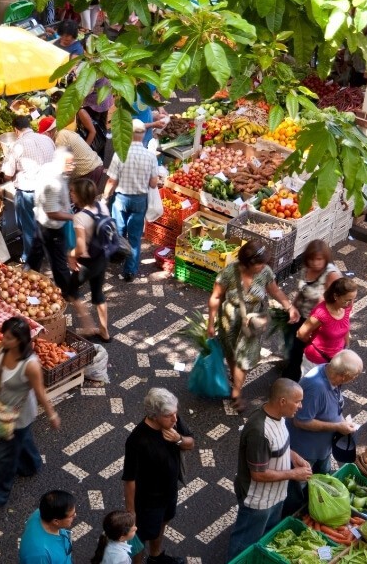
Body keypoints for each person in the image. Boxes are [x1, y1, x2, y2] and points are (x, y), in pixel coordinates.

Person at [0, 316, 60, 513]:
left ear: (21, 340)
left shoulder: (30, 365)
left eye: (9, 338)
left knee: (3, 456)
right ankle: (31, 464)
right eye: (4, 336)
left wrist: (51, 415)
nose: (3, 340)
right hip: (3, 406)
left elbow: (40, 392)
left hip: (19, 415)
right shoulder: (2, 348)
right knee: (20, 442)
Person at [226, 379, 313, 561]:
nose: (300, 406)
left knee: (267, 534)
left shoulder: (279, 417)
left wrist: (294, 457)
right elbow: (258, 474)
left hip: (276, 496)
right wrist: (293, 474)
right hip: (259, 501)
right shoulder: (259, 431)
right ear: (282, 401)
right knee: (244, 542)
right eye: (297, 401)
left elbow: (279, 446)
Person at [207, 241, 300, 412]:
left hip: (252, 322)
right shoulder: (228, 273)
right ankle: (235, 376)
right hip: (230, 320)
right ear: (247, 263)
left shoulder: (265, 272)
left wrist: (289, 307)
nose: (263, 266)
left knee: (245, 359)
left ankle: (236, 392)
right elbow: (216, 297)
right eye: (259, 264)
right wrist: (211, 323)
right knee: (231, 354)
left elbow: (275, 291)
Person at [123, 388, 193, 564]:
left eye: (175, 413)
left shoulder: (173, 424)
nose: (175, 419)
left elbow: (190, 443)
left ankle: (155, 557)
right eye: (169, 415)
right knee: (139, 536)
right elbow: (129, 479)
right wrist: (131, 512)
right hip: (147, 501)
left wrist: (178, 439)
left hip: (169, 492)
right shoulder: (137, 440)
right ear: (154, 415)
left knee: (163, 522)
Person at [101, 119, 159, 282]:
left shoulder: (120, 154)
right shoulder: (150, 156)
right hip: (140, 199)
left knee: (118, 231)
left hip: (121, 199)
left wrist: (105, 197)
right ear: (143, 134)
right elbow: (153, 183)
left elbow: (112, 180)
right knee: (134, 237)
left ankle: (115, 259)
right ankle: (130, 271)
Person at [289, 350, 362, 473]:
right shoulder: (315, 389)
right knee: (301, 484)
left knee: (324, 479)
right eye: (354, 376)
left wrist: (342, 421)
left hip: (322, 448)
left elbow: (333, 404)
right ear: (344, 375)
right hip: (307, 452)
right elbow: (301, 421)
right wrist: (337, 426)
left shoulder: (330, 373)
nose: (354, 379)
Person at [282, 240, 341, 381]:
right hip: (301, 315)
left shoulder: (331, 274)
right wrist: (292, 308)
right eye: (312, 259)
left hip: (316, 321)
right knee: (295, 348)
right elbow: (302, 290)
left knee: (305, 352)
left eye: (319, 259)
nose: (315, 263)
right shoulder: (306, 269)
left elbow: (337, 301)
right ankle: (292, 375)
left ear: (325, 258)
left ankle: (298, 381)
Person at [1, 115, 56, 265]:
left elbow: (7, 174)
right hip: (49, 189)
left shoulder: (17, 146)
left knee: (27, 225)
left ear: (16, 130)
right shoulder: (47, 139)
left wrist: (10, 177)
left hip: (29, 192)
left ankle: (30, 260)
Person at [27, 148, 74, 299]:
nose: (72, 166)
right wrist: (73, 217)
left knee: (36, 253)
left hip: (41, 221)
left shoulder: (49, 168)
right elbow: (52, 212)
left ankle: (27, 278)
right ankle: (68, 292)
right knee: (59, 261)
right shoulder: (54, 182)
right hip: (51, 226)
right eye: (69, 163)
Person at [68, 177, 110, 342]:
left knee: (71, 291)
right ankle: (104, 331)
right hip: (102, 257)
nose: (70, 194)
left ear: (80, 196)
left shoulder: (80, 217)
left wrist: (70, 255)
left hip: (87, 263)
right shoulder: (101, 206)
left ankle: (88, 325)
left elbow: (80, 248)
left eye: (72, 191)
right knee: (98, 294)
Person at [296, 277, 357, 376]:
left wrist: (347, 347)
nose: (351, 304)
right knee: (310, 389)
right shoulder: (321, 314)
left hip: (336, 359)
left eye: (353, 299)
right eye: (347, 300)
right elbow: (301, 334)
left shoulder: (346, 307)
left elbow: (345, 326)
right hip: (315, 361)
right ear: (336, 296)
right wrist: (312, 343)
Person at [39, 115, 105, 190]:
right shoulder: (63, 132)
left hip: (88, 171)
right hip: (92, 168)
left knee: (81, 200)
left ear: (48, 133)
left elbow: (63, 165)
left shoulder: (60, 137)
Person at [19, 490, 76, 564]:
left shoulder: (41, 512)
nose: (75, 516)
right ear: (56, 521)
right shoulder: (40, 555)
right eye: (71, 515)